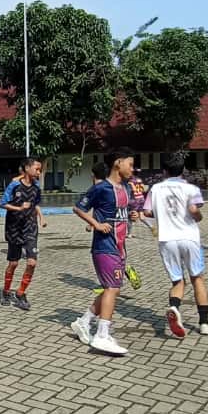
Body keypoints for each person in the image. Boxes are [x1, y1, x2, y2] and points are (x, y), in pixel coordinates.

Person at [71, 149, 136, 356]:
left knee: (112, 289)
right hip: (104, 247)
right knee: (112, 288)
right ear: (118, 163)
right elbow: (78, 208)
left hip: (120, 247)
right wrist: (96, 224)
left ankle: (84, 322)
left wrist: (132, 215)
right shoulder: (101, 188)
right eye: (130, 164)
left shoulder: (126, 187)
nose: (132, 169)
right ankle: (102, 334)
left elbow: (124, 212)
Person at [142, 154, 208, 338]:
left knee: (177, 280)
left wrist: (161, 213)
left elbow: (147, 212)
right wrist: (198, 216)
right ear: (183, 170)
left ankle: (174, 306)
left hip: (167, 239)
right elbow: (194, 210)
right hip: (189, 237)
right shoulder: (191, 188)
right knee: (197, 278)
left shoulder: (155, 189)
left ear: (164, 171)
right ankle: (204, 323)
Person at [0, 157, 46, 311]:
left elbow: (35, 203)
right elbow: (3, 203)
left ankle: (20, 293)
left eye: (40, 170)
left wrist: (41, 217)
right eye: (37, 169)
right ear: (27, 168)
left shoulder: (37, 187)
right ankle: (6, 291)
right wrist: (19, 208)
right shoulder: (14, 185)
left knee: (32, 263)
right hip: (14, 228)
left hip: (30, 228)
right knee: (13, 263)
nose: (39, 172)